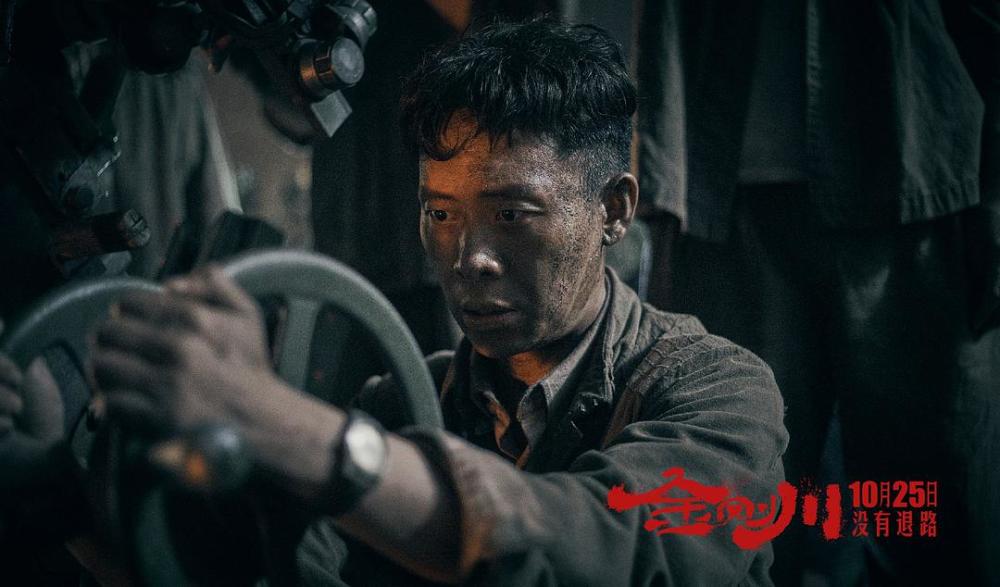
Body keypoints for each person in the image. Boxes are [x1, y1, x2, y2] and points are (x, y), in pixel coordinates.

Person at [78, 19, 788, 585]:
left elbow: (609, 545)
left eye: (512, 215)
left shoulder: (717, 393)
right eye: (441, 213)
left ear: (614, 209)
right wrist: (62, 479)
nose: (470, 257)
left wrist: (282, 423)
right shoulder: (406, 401)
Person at [633, 1, 999, 584]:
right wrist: (660, 195)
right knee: (734, 511)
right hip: (721, 204)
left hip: (914, 195)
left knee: (928, 511)